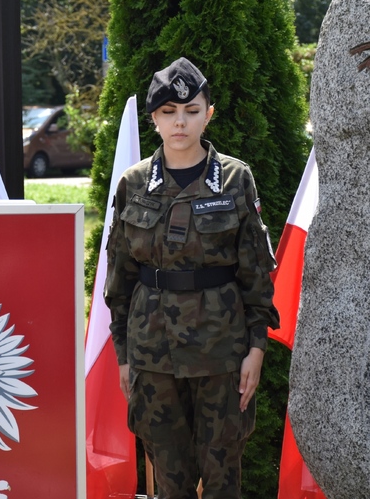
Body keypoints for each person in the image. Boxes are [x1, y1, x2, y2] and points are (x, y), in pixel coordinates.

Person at [104, 57, 280, 498]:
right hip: (152, 354)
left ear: (209, 113)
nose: (180, 122)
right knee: (169, 479)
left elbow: (256, 272)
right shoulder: (134, 184)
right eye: (168, 113)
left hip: (222, 354)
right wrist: (125, 355)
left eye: (191, 111)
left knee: (223, 479)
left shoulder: (236, 180)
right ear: (154, 119)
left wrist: (256, 347)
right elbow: (120, 280)